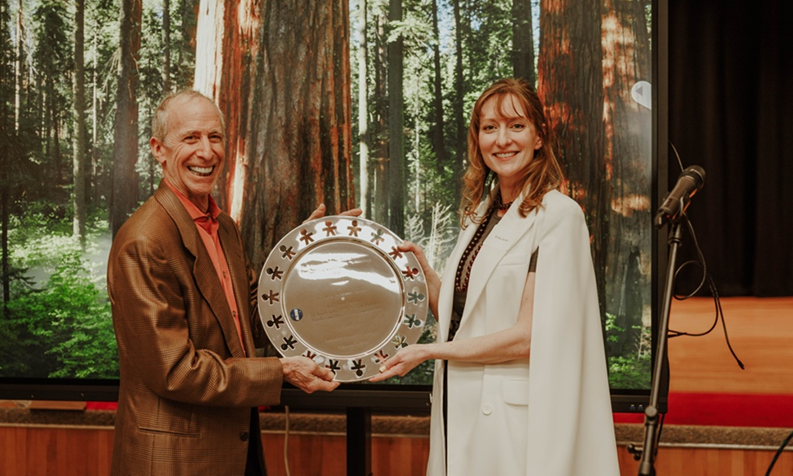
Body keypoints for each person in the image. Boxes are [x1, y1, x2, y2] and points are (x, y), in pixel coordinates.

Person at [371, 78, 620, 475]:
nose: (502, 140)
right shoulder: (482, 213)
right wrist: (425, 273)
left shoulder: (559, 215)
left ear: (539, 136)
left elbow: (529, 337)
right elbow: (466, 318)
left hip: (514, 422)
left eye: (516, 126)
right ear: (478, 139)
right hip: (460, 407)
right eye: (490, 128)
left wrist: (430, 351)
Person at [107, 89, 349, 476]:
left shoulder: (224, 228)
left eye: (214, 137)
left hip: (236, 447)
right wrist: (279, 371)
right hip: (175, 460)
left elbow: (254, 321)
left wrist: (298, 259)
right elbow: (176, 371)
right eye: (190, 138)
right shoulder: (144, 240)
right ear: (158, 150)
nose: (206, 152)